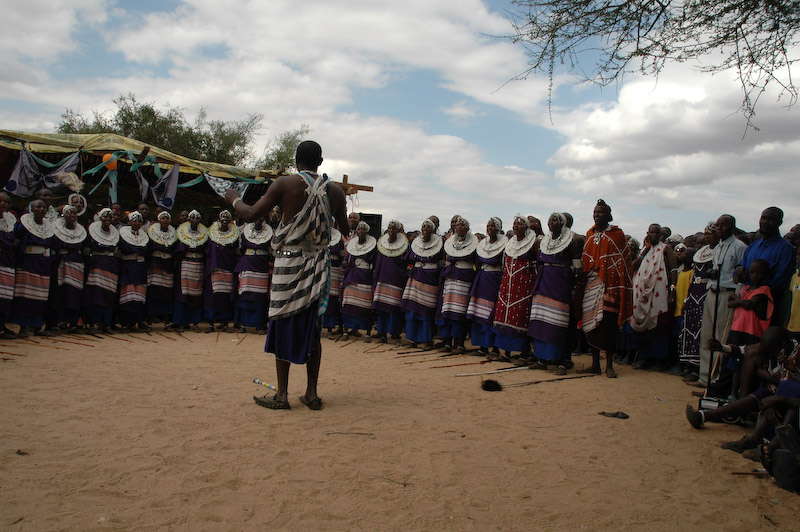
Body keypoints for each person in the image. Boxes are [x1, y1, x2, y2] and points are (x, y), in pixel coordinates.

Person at [225, 140, 349, 411]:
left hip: (288, 264)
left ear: (296, 160)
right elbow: (344, 226)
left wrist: (233, 198)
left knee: (282, 321)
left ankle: (282, 395)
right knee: (313, 328)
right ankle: (312, 394)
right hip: (318, 266)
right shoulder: (336, 191)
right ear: (321, 160)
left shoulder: (284, 184)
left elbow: (249, 214)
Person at [574, 199, 633, 378]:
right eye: (594, 212)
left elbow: (623, 262)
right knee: (591, 324)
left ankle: (609, 366)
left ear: (608, 215)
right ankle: (594, 364)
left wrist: (610, 278)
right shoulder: (589, 235)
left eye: (600, 212)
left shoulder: (617, 235)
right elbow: (585, 261)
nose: (596, 215)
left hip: (609, 286)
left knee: (607, 325)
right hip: (591, 285)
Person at [697, 214, 747, 390]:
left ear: (732, 227)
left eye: (723, 225)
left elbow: (741, 274)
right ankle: (704, 377)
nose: (719, 228)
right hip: (712, 292)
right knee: (707, 334)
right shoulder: (717, 247)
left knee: (721, 336)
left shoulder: (740, 247)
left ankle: (716, 379)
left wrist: (738, 296)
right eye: (718, 225)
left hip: (728, 294)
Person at [528, 213, 582, 374]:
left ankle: (562, 360)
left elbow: (578, 267)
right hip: (543, 283)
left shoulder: (571, 242)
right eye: (550, 220)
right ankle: (541, 358)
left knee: (559, 323)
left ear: (563, 224)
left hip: (560, 285)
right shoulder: (544, 241)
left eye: (555, 220)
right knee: (541, 320)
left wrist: (573, 287)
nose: (551, 223)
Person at [630, 223, 677, 371]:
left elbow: (674, 269)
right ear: (647, 233)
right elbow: (632, 267)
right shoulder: (645, 251)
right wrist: (645, 250)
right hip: (642, 294)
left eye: (658, 233)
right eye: (652, 233)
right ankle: (645, 358)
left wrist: (672, 291)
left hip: (659, 293)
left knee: (659, 327)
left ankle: (660, 360)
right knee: (643, 329)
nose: (655, 236)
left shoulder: (666, 249)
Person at [736, 207, 795, 325]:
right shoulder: (753, 246)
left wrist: (758, 294)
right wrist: (738, 271)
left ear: (780, 222)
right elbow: (741, 269)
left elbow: (781, 281)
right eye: (763, 218)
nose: (765, 222)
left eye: (770, 219)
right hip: (745, 302)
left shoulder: (786, 249)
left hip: (767, 306)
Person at [492, 215, 537, 363]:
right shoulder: (510, 244)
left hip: (523, 286)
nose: (516, 226)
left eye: (519, 224)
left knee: (520, 318)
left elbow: (537, 265)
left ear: (526, 227)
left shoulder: (533, 243)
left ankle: (524, 353)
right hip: (508, 285)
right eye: (514, 224)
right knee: (505, 317)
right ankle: (506, 353)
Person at [680, 222, 719, 381]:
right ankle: (690, 366)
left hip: (707, 293)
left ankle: (701, 370)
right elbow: (694, 276)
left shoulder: (718, 252)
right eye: (706, 233)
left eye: (711, 233)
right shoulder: (701, 253)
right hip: (694, 294)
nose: (708, 236)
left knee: (703, 332)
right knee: (690, 331)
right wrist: (687, 298)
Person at [436, 216, 478, 353]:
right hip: (450, 279)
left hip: (464, 279)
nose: (458, 227)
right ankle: (447, 341)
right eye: (457, 225)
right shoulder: (449, 242)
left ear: (467, 228)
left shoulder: (474, 243)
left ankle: (459, 342)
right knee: (447, 310)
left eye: (462, 225)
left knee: (460, 311)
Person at [402, 219, 444, 349]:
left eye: (428, 227)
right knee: (412, 311)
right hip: (415, 278)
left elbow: (441, 262)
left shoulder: (439, 244)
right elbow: (408, 258)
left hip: (430, 279)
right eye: (423, 227)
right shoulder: (416, 243)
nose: (425, 229)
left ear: (433, 230)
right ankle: (413, 339)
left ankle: (427, 340)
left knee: (426, 312)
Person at [468, 217, 507, 358]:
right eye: (488, 226)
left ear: (498, 228)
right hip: (482, 279)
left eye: (492, 226)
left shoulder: (505, 244)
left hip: (495, 279)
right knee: (480, 313)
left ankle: (494, 348)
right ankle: (483, 346)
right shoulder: (482, 244)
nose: (489, 228)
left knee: (492, 314)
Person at [83, 208, 120, 334]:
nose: (108, 219)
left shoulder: (116, 233)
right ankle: (93, 323)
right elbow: (87, 249)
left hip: (110, 265)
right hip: (96, 265)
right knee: (95, 294)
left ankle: (106, 323)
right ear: (100, 218)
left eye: (110, 217)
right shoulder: (92, 232)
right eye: (105, 216)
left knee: (109, 295)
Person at [233, 217, 273, 334]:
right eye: (256, 218)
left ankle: (259, 324)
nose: (258, 221)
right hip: (247, 265)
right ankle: (241, 323)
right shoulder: (244, 232)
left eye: (261, 219)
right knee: (244, 293)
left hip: (262, 266)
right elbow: (240, 249)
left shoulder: (270, 234)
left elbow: (271, 251)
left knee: (260, 296)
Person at [372, 220, 409, 344]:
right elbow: (378, 261)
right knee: (381, 307)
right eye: (389, 228)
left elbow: (406, 263)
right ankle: (381, 332)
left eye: (394, 229)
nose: (391, 231)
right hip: (382, 278)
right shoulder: (381, 244)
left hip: (396, 280)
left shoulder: (405, 246)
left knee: (393, 309)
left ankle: (394, 333)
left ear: (398, 231)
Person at [51, 205, 87, 333]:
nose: (72, 215)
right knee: (61, 292)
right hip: (61, 263)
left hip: (76, 264)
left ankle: (73, 321)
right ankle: (60, 320)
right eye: (69, 213)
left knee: (74, 293)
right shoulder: (56, 229)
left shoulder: (81, 231)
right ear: (63, 215)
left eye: (74, 213)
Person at [204, 210, 240, 332]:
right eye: (223, 217)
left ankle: (224, 323)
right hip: (214, 269)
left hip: (228, 269)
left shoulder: (235, 236)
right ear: (219, 220)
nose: (225, 220)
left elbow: (236, 252)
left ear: (230, 220)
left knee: (225, 296)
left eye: (227, 218)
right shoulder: (211, 234)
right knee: (212, 296)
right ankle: (210, 322)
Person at [340, 221, 377, 341]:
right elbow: (347, 259)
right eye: (359, 229)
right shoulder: (351, 245)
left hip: (365, 277)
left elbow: (374, 262)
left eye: (363, 229)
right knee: (348, 304)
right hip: (352, 276)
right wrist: (346, 263)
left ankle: (367, 333)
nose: (361, 231)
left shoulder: (372, 247)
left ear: (367, 232)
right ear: (356, 231)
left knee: (365, 305)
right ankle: (346, 331)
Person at [173, 210, 208, 332]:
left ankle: (195, 322)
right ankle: (180, 322)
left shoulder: (205, 234)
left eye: (197, 218)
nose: (195, 220)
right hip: (184, 266)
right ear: (188, 220)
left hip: (198, 266)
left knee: (197, 295)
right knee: (182, 295)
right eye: (192, 218)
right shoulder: (181, 233)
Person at [117, 211, 150, 332]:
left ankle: (138, 321)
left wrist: (135, 249)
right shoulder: (123, 234)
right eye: (134, 221)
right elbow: (125, 248)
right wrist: (137, 249)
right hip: (128, 267)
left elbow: (146, 250)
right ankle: (126, 323)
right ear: (129, 222)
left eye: (139, 221)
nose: (137, 223)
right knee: (128, 295)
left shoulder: (144, 235)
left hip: (140, 268)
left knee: (140, 296)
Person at [146, 211, 177, 327]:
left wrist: (163, 248)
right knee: (152, 292)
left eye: (167, 218)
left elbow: (173, 250)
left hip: (168, 265)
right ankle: (149, 321)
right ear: (158, 220)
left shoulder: (174, 234)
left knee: (167, 293)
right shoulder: (152, 234)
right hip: (155, 265)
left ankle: (167, 321)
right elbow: (150, 248)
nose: (165, 220)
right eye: (163, 218)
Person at [323, 226, 345, 336]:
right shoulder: (319, 235)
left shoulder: (339, 239)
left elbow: (342, 256)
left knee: (331, 299)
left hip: (334, 271)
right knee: (320, 298)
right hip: (321, 270)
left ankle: (330, 328)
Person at [0, 192, 16, 338]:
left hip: (7, 260)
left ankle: (2, 324)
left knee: (5, 295)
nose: (3, 203)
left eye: (6, 201)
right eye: (0, 201)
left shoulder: (11, 220)